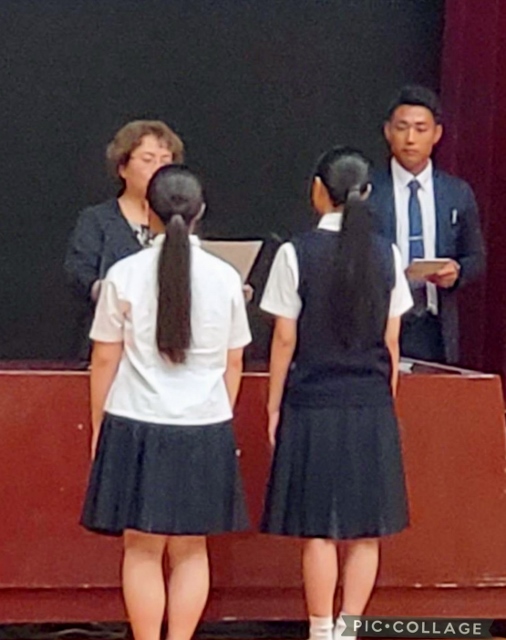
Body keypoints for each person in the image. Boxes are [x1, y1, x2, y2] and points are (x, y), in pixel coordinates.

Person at [80, 165, 251, 640]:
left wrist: (99, 426)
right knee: (192, 549)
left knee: (141, 549)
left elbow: (104, 357)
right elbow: (233, 361)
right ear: (200, 212)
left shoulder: (123, 274)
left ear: (147, 213)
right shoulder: (225, 278)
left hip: (134, 421)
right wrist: (216, 413)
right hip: (205, 425)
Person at [260, 147, 413, 640]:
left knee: (319, 527)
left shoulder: (295, 253)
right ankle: (350, 627)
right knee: (367, 528)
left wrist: (274, 404)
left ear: (318, 191)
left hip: (312, 402)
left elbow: (285, 338)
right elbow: (392, 340)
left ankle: (321, 628)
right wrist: (385, 397)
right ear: (367, 193)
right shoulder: (388, 254)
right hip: (370, 402)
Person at [369, 85, 486, 364]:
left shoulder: (456, 193)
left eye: (420, 129)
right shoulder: (368, 191)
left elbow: (476, 257)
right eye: (402, 128)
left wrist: (456, 273)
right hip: (381, 321)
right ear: (388, 131)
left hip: (434, 323)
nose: (410, 139)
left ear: (437, 134)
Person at [64, 120, 184, 358]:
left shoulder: (181, 220)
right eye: (148, 160)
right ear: (122, 168)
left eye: (165, 161)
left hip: (170, 347)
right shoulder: (97, 219)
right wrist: (109, 290)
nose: (158, 169)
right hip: (113, 344)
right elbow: (79, 274)